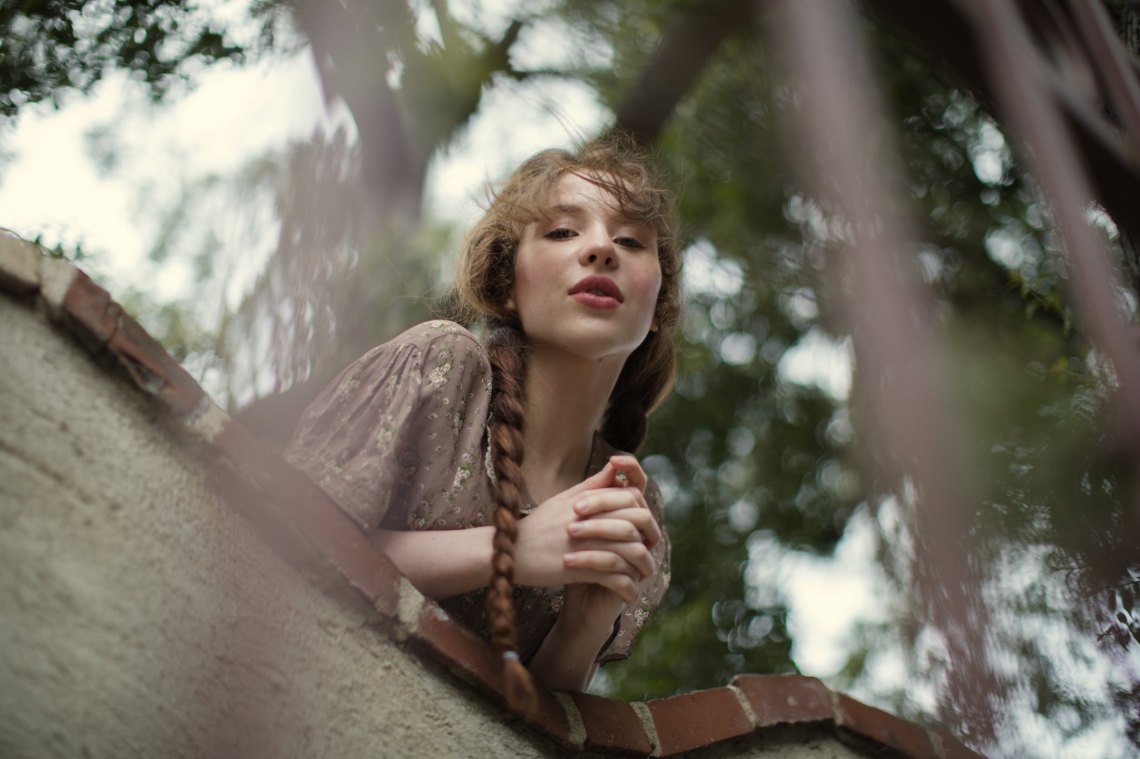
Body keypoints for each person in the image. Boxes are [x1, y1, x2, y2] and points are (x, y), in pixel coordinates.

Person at [285, 136, 680, 714]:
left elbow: (534, 730)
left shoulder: (630, 508)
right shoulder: (441, 366)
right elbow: (284, 536)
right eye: (562, 231)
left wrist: (581, 630)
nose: (600, 249)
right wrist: (511, 548)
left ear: (657, 302)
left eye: (629, 240)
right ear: (506, 282)